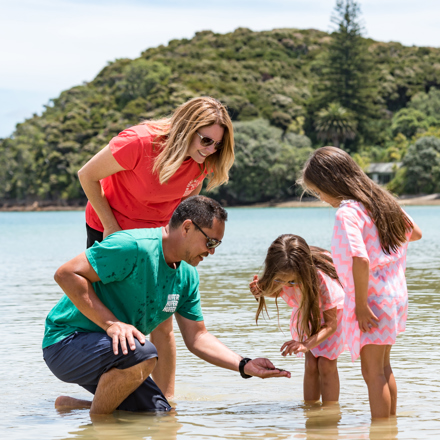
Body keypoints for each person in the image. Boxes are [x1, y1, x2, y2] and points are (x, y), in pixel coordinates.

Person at [42, 196, 290, 415]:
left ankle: (73, 407)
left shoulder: (187, 276)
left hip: (118, 352)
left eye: (217, 245)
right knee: (144, 354)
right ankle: (97, 427)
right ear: (187, 228)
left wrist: (244, 364)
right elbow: (66, 274)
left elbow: (197, 337)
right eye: (210, 243)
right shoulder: (133, 246)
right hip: (65, 342)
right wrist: (111, 324)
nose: (212, 252)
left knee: (159, 413)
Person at [77, 96, 235, 398]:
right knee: (112, 315)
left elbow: (185, 208)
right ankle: (105, 398)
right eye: (206, 140)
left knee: (162, 321)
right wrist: (110, 227)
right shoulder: (138, 142)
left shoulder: (202, 162)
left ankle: (166, 404)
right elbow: (87, 175)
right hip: (110, 229)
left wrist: (174, 245)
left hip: (155, 236)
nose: (210, 149)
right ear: (186, 129)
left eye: (217, 145)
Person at [299, 146, 422, 419]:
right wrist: (382, 242)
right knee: (384, 367)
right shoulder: (381, 201)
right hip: (395, 295)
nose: (321, 198)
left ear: (330, 182)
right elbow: (415, 233)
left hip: (372, 300)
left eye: (318, 192)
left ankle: (380, 430)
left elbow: (360, 258)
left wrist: (362, 305)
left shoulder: (347, 212)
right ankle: (388, 429)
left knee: (372, 372)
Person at [249, 234, 345, 404]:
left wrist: (305, 344)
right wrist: (261, 292)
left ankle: (330, 413)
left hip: (332, 317)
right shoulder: (283, 271)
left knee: (326, 364)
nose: (288, 285)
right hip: (308, 313)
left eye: (293, 282)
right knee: (311, 364)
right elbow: (279, 291)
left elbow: (331, 325)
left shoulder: (320, 278)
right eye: (281, 280)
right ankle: (310, 410)